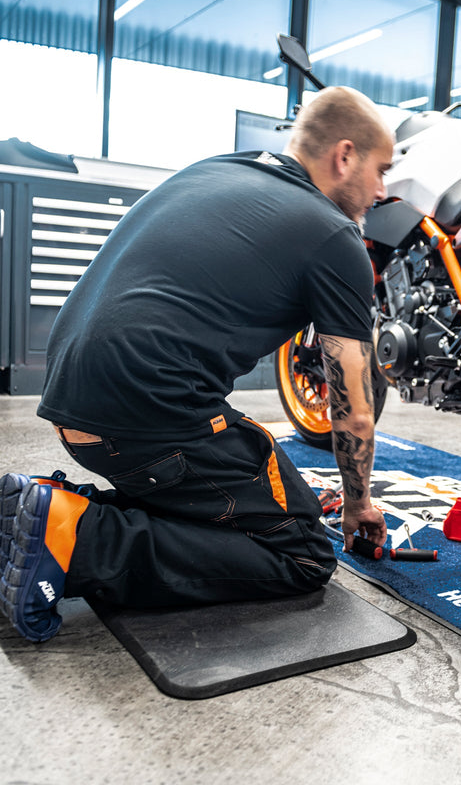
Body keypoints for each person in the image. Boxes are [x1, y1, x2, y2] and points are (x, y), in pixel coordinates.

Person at [0, 86, 394, 643]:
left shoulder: (216, 169)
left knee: (217, 501)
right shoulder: (335, 235)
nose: (382, 191)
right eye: (382, 170)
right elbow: (353, 409)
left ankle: (35, 510)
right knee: (301, 550)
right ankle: (75, 536)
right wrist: (358, 505)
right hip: (147, 418)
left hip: (71, 406)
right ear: (345, 155)